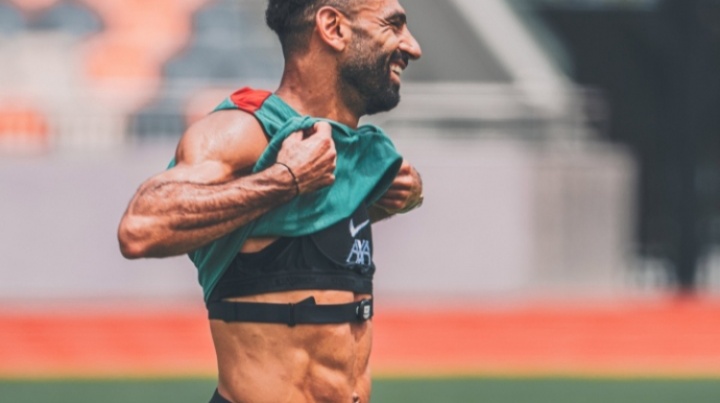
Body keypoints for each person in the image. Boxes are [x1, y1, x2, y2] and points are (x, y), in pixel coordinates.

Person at [118, 0, 423, 401]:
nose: (413, 46)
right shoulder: (245, 131)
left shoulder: (350, 153)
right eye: (393, 25)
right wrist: (283, 179)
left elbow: (301, 228)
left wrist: (389, 200)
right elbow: (140, 228)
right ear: (333, 28)